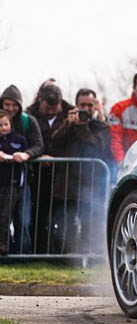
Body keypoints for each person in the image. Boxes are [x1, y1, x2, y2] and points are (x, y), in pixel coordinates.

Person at [50, 88, 112, 253]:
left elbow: (97, 147)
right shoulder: (69, 123)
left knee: (89, 225)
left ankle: (87, 256)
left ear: (95, 106)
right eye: (82, 105)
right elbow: (54, 142)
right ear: (76, 105)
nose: (86, 109)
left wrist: (82, 127)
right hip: (67, 185)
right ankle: (66, 257)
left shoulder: (102, 127)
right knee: (66, 225)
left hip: (90, 185)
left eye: (89, 105)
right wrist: (68, 125)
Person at [27, 84, 75, 253]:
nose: (50, 112)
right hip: (37, 172)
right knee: (38, 214)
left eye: (54, 108)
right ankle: (38, 250)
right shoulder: (30, 115)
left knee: (60, 215)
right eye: (47, 108)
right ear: (40, 100)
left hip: (62, 174)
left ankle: (59, 252)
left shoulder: (70, 114)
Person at [0, 85, 44, 254]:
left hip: (21, 181)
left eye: (14, 105)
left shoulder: (28, 121)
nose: (10, 108)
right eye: (7, 104)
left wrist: (27, 154)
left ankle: (22, 255)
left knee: (23, 220)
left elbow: (39, 145)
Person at [0, 110, 28, 256]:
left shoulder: (20, 140)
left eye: (5, 124)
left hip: (12, 183)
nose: (3, 128)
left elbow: (28, 154)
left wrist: (19, 156)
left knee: (5, 216)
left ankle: (4, 245)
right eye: (0, 125)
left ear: (11, 124)